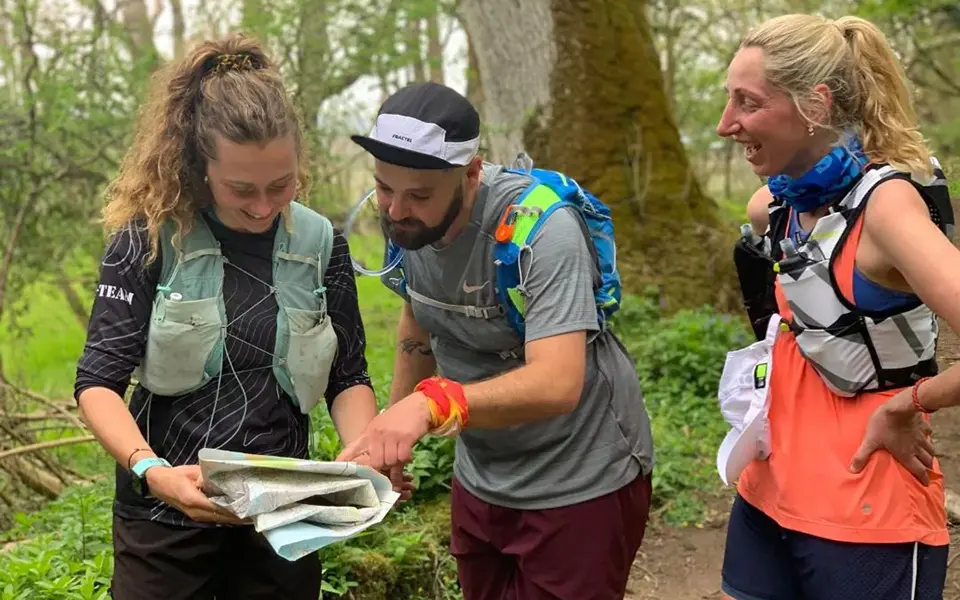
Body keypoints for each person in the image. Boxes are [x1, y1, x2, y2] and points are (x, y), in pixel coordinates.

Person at [73, 34, 410, 600]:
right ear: (198, 166)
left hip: (282, 520)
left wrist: (361, 457)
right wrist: (151, 472)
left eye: (281, 185)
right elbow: (97, 383)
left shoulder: (322, 244)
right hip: (163, 521)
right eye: (240, 189)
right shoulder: (147, 239)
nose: (262, 206)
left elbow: (347, 376)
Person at [336, 81, 655, 600]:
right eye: (384, 189)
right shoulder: (410, 227)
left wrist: (428, 405)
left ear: (471, 173)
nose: (395, 212)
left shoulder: (540, 230)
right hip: (483, 478)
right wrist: (390, 439)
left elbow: (558, 383)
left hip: (580, 480)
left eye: (418, 195)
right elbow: (419, 319)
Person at [716, 13, 957, 600]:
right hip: (767, 494)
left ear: (815, 105)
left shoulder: (888, 211)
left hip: (867, 510)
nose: (726, 125)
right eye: (729, 101)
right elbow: (770, 210)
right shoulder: (778, 204)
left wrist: (909, 405)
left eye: (747, 103)